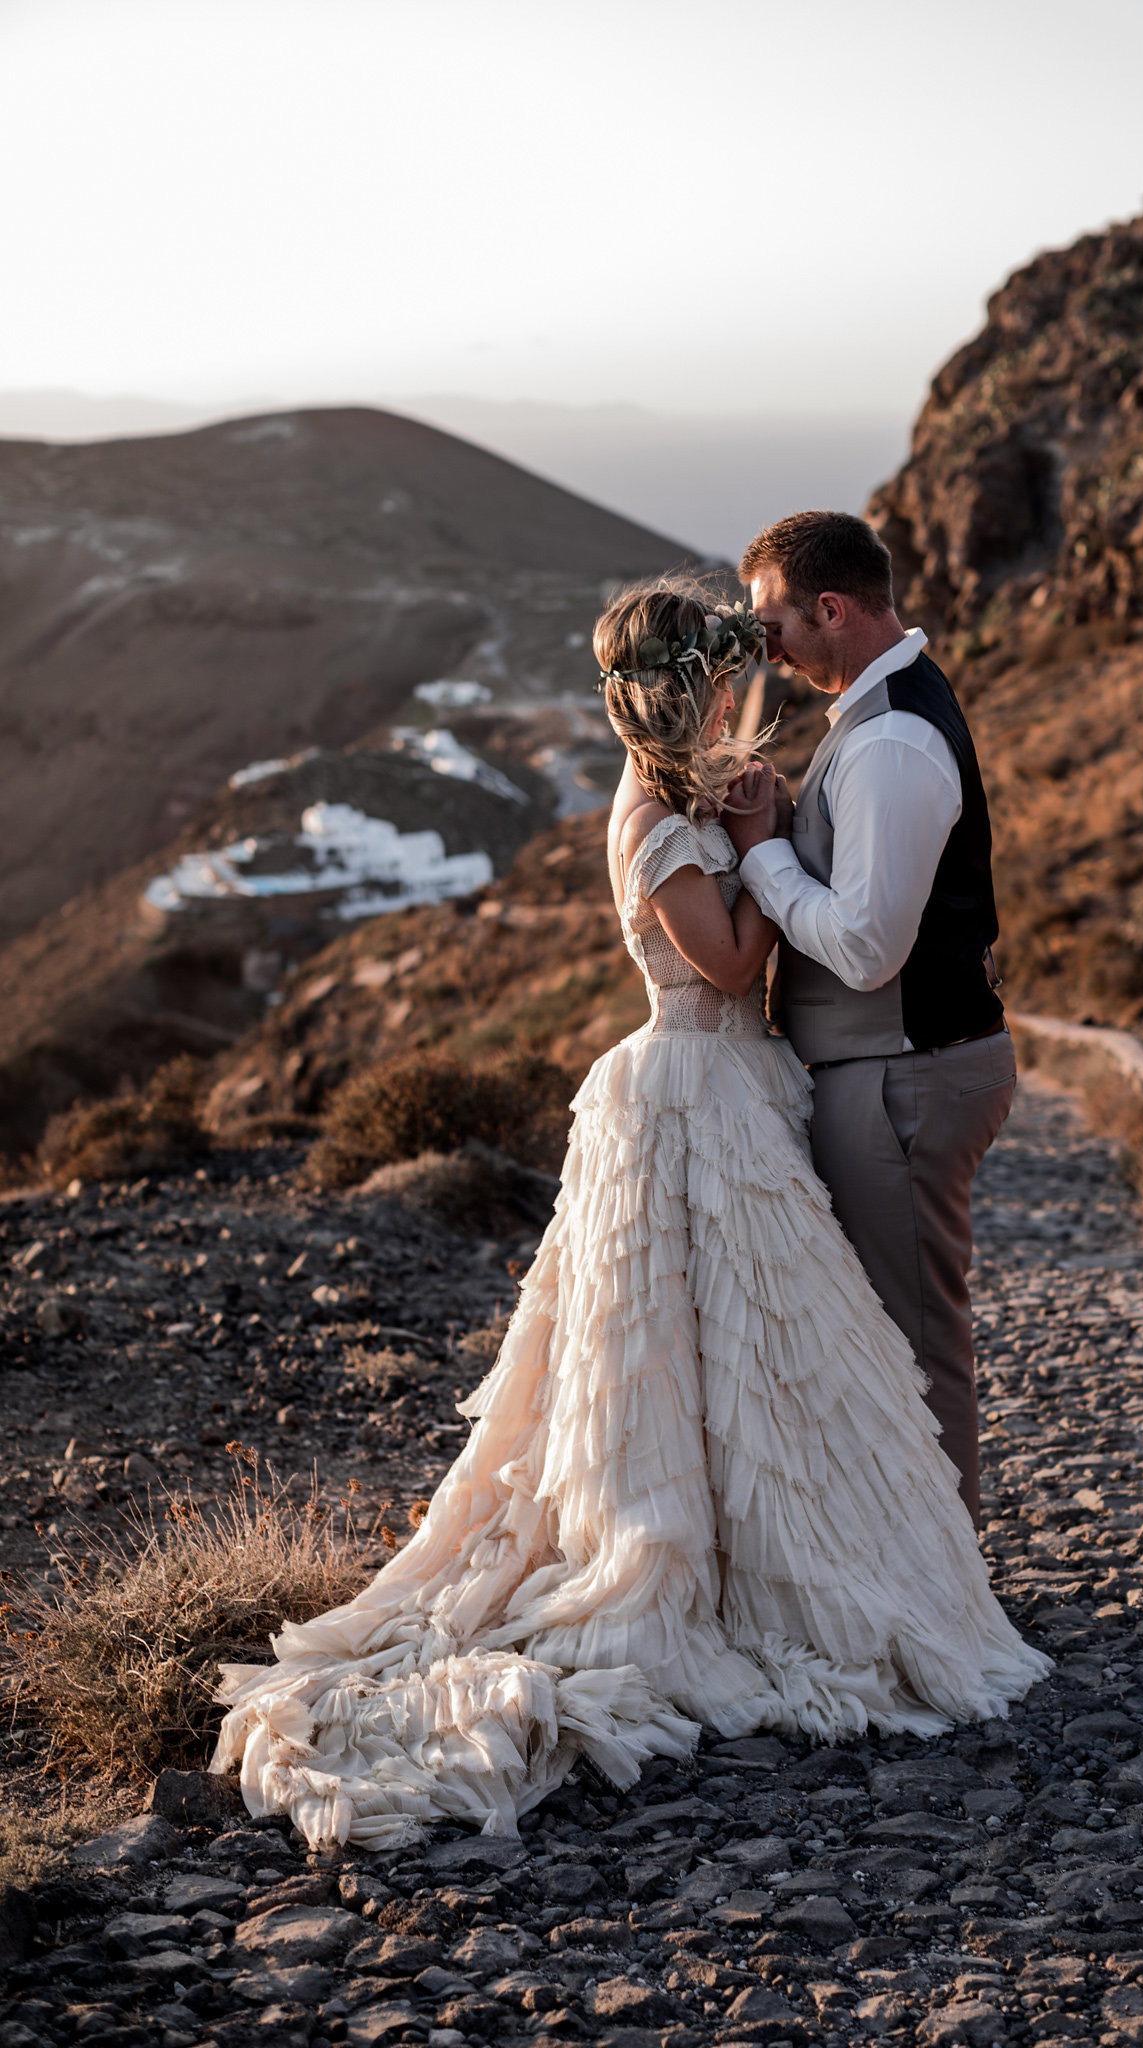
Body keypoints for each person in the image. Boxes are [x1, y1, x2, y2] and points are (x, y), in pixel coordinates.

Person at [211, 578, 1046, 1851]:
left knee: (759, 1348)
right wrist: (773, 847)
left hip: (735, 1087)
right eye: (718, 680)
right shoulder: (652, 811)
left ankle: (800, 1555)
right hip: (687, 1082)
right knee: (677, 1345)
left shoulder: (690, 792)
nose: (737, 696)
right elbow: (727, 963)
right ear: (678, 689)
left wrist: (754, 822)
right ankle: (695, 1571)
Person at [731, 511, 1012, 1528]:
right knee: (889, 1331)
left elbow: (864, 946)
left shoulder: (891, 737)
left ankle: (950, 1593)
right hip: (887, 1066)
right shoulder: (872, 712)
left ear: (833, 608)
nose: (767, 644)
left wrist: (763, 853)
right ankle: (916, 1564)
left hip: (902, 1072)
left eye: (775, 620)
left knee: (916, 1338)